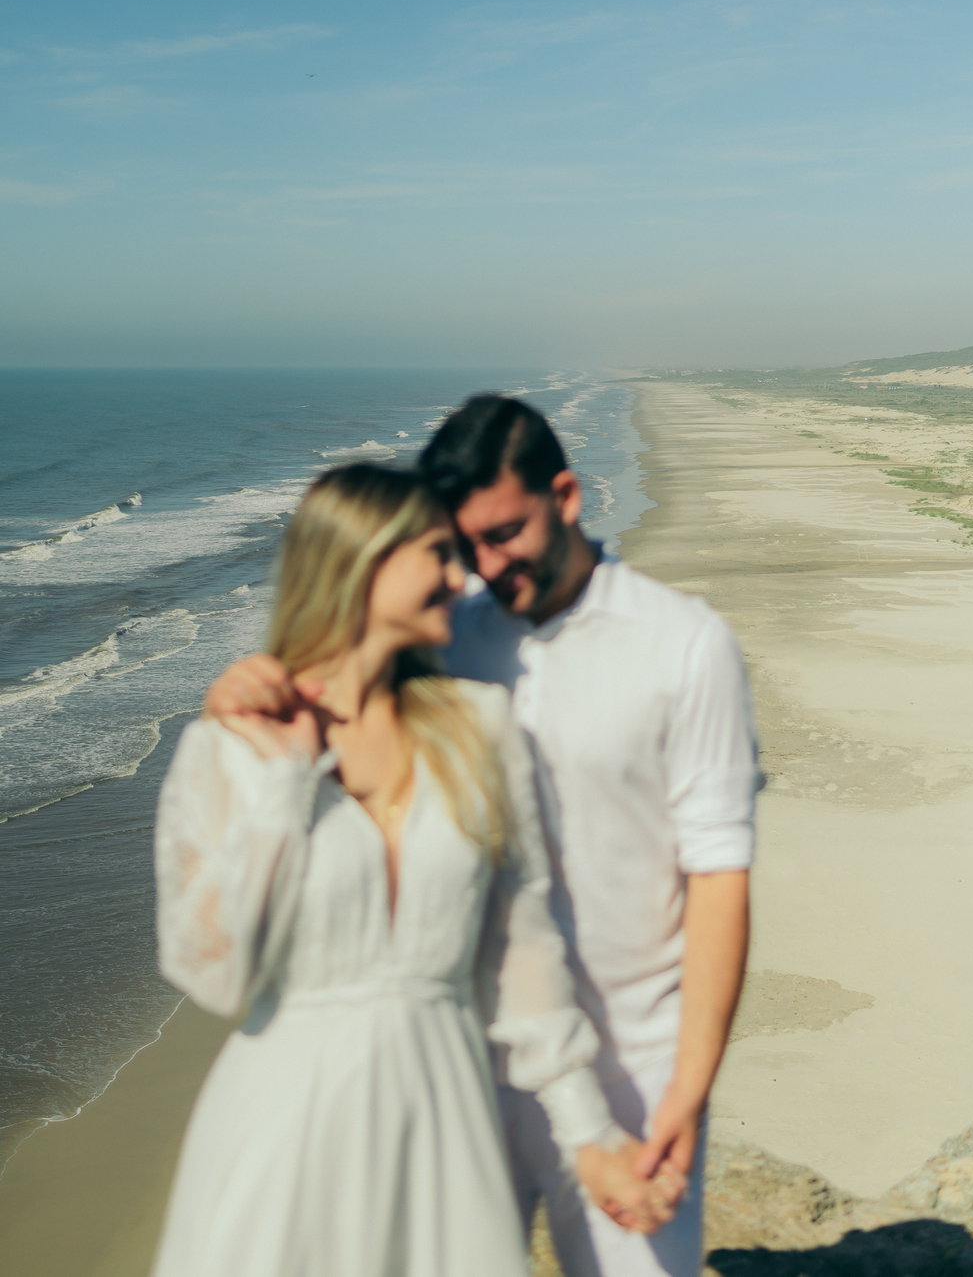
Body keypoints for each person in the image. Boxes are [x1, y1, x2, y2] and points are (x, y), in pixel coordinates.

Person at [207, 400, 758, 1277]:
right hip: (461, 1057)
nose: (483, 569)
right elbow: (335, 707)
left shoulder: (684, 645)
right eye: (463, 547)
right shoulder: (443, 641)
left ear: (567, 496)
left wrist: (687, 1092)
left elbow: (720, 876)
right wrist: (253, 690)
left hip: (632, 1058)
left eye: (504, 536)